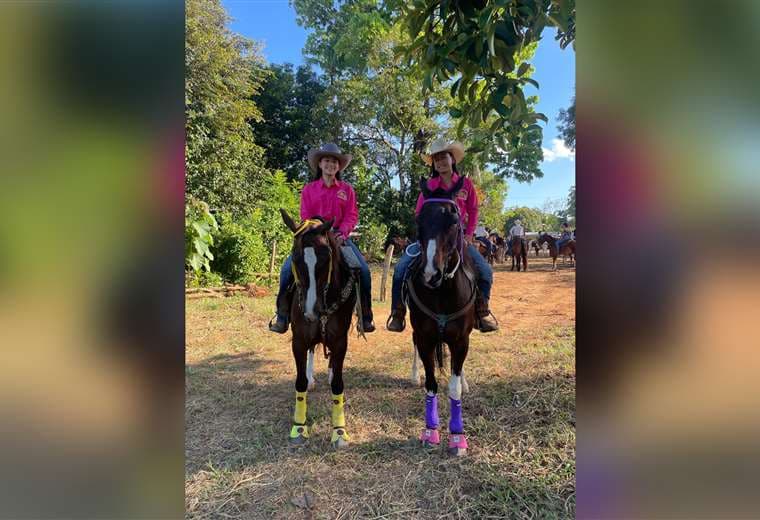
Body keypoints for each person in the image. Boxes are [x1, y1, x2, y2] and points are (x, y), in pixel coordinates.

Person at [386, 139, 498, 333]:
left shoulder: (466, 185)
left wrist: (470, 234)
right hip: (431, 237)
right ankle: (398, 312)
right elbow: (418, 213)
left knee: (485, 272)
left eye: (443, 157)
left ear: (452, 159)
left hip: (458, 237)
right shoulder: (428, 186)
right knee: (401, 269)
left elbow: (473, 210)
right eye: (436, 159)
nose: (440, 162)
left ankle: (482, 311)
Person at [269, 143, 375, 333]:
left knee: (364, 272)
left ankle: (365, 316)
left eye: (334, 161)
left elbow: (352, 215)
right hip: (314, 239)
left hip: (339, 237)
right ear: (319, 164)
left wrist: (342, 233)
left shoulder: (347, 190)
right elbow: (305, 215)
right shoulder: (309, 189)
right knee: (286, 270)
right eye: (327, 160)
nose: (331, 164)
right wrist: (316, 231)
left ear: (339, 166)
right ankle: (282, 316)